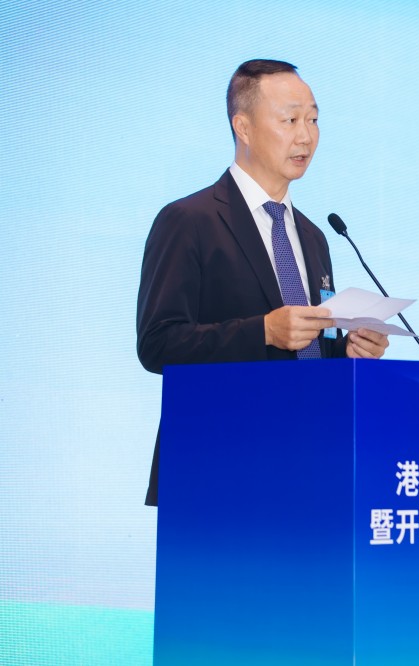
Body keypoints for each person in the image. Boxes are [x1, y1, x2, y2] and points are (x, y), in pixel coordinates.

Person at [137, 59, 388, 506]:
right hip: (218, 469)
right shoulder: (189, 221)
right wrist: (264, 332)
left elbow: (311, 353)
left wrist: (348, 353)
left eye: (313, 120)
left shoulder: (314, 236)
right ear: (244, 128)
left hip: (308, 466)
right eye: (290, 120)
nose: (306, 136)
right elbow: (158, 344)